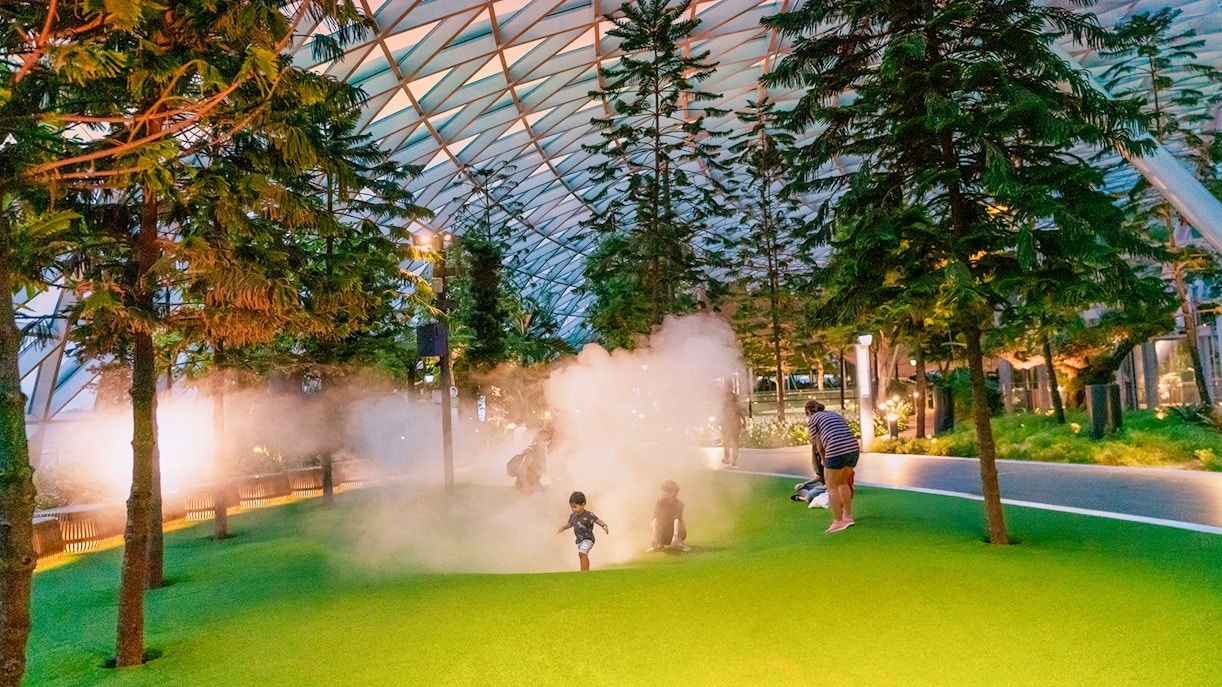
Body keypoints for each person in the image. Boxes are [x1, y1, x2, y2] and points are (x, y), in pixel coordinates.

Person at [804, 400, 860, 533]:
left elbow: (818, 444)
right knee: (842, 482)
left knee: (831, 486)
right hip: (853, 448)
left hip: (835, 449)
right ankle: (848, 516)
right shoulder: (834, 414)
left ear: (808, 412)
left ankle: (838, 521)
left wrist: (824, 460)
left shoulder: (812, 419)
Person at [557, 491, 609, 571]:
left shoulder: (589, 515)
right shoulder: (572, 515)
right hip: (579, 540)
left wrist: (604, 525)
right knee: (582, 555)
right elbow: (570, 524)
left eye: (575, 507)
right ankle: (584, 571)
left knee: (582, 553)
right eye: (571, 507)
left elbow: (597, 520)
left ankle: (585, 573)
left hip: (588, 539)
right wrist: (563, 527)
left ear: (583, 504)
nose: (573, 509)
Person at [647, 480, 691, 552]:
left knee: (681, 522)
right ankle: (658, 544)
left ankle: (679, 543)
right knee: (653, 522)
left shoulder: (679, 504)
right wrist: (654, 535)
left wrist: (675, 535)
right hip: (663, 532)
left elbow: (677, 519)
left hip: (674, 533)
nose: (663, 493)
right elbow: (655, 518)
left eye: (666, 491)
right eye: (663, 491)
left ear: (673, 493)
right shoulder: (659, 503)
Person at [720, 388, 744, 468]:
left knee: (726, 442)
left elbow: (721, 413)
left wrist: (717, 422)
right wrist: (744, 422)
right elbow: (742, 412)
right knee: (735, 442)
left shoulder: (724, 401)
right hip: (736, 425)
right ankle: (734, 461)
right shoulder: (736, 402)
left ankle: (727, 459)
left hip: (726, 425)